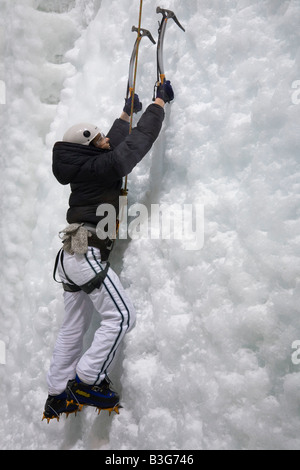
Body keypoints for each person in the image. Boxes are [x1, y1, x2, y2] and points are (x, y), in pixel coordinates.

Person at [43, 81, 174, 422]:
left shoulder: (87, 165)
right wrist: (158, 104)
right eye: (98, 138)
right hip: (85, 252)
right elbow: (133, 146)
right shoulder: (100, 166)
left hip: (71, 255)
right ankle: (88, 382)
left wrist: (126, 112)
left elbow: (113, 143)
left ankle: (58, 394)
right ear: (89, 147)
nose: (105, 140)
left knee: (73, 326)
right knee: (122, 316)